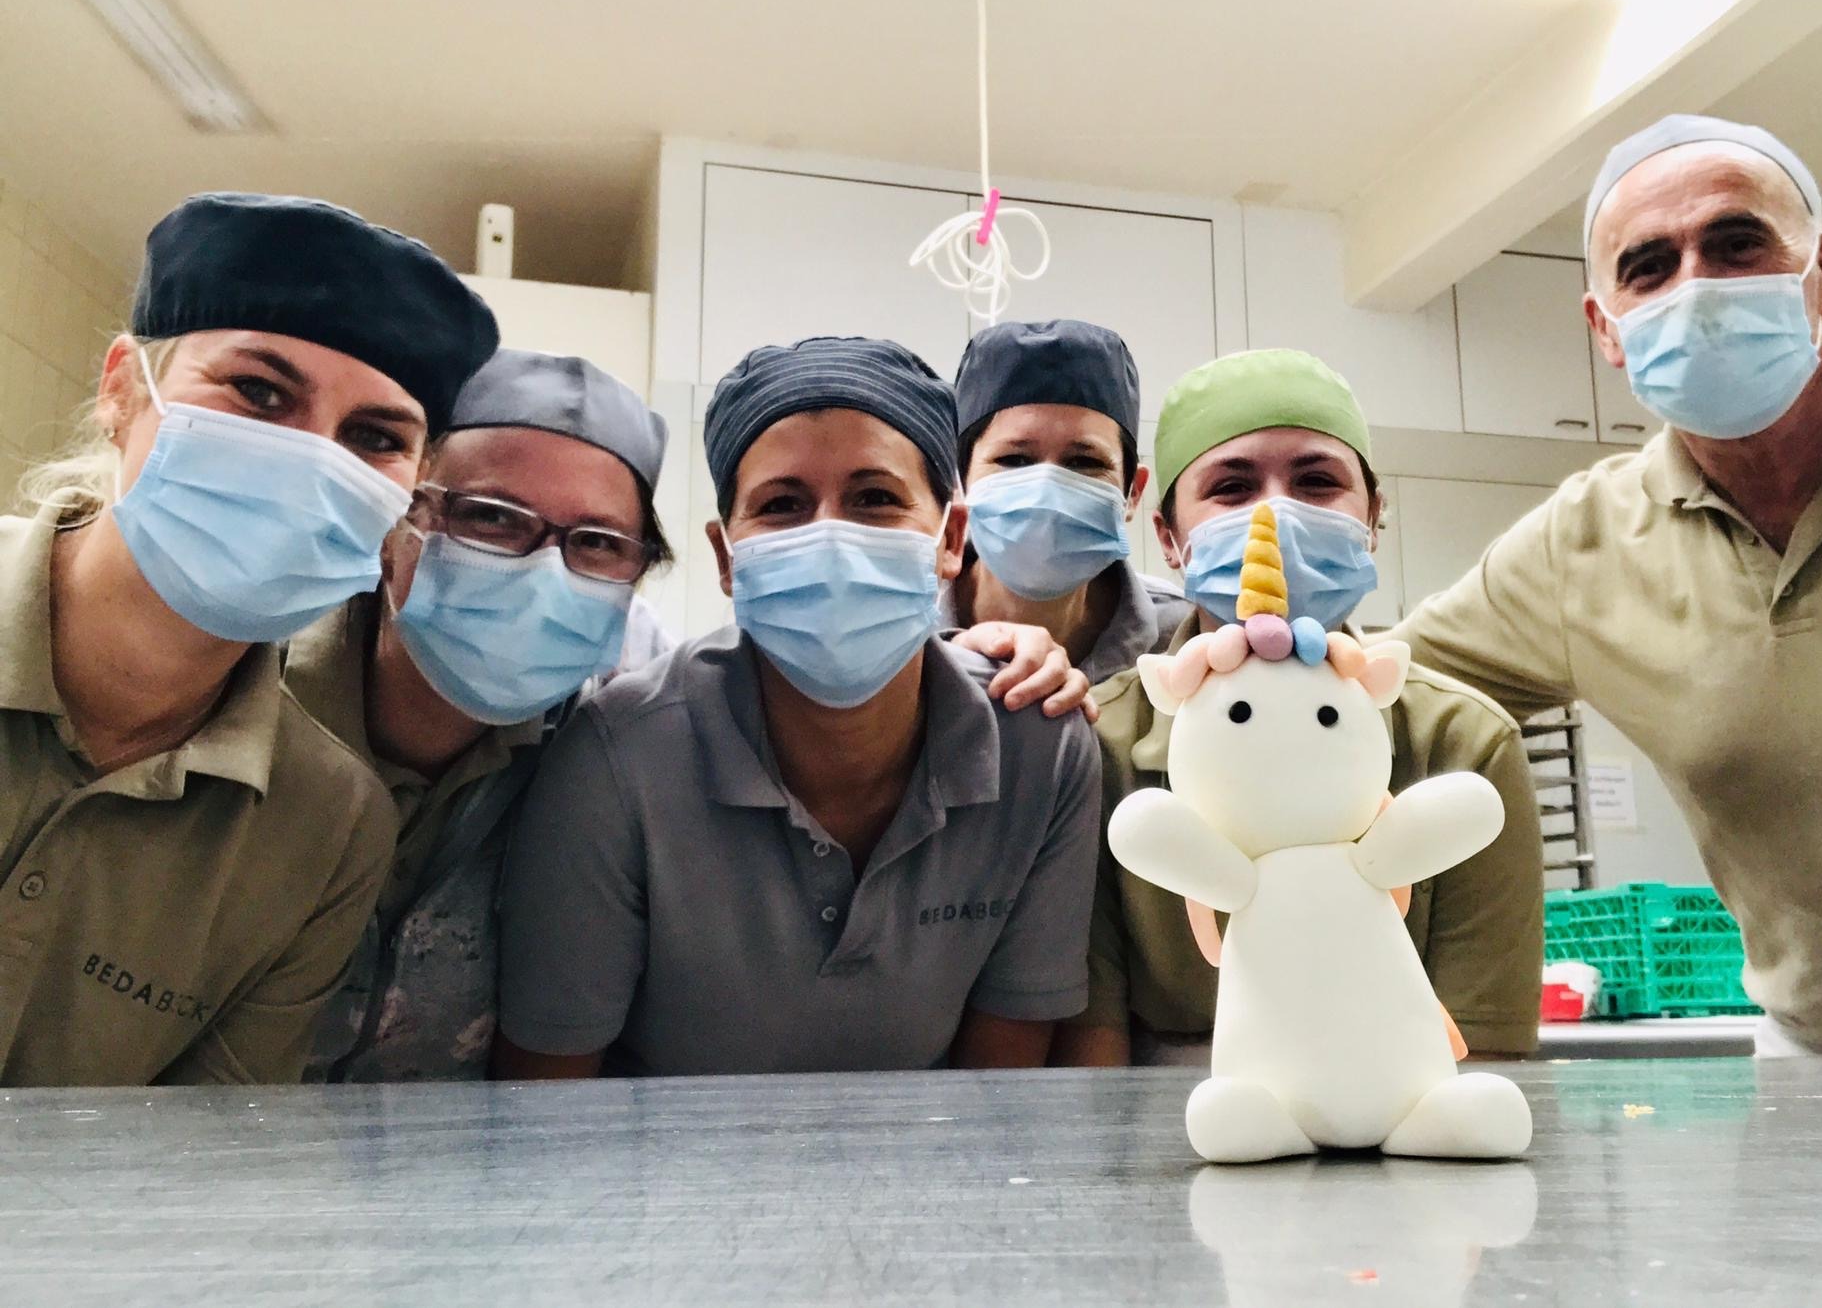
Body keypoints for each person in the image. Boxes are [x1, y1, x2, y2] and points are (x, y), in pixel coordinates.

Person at [1390, 113, 1822, 1056]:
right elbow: (1371, 698)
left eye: (1737, 244)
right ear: (1606, 329)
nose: (1696, 288)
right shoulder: (1581, 547)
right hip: (1820, 1062)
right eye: (1649, 266)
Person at [492, 336, 1104, 1078]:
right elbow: (549, 1099)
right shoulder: (620, 762)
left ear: (951, 538)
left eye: (875, 499)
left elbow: (999, 1089)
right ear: (726, 559)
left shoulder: (1040, 745)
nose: (831, 537)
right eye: (782, 505)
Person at [0, 192, 497, 1085]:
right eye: (258, 392)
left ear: (411, 489)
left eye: (374, 436)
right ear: (122, 388)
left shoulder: (328, 829)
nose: (309, 459)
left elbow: (206, 1143)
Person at [1065, 349, 1545, 1067]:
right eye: (1231, 488)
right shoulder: (1100, 744)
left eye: (1317, 482)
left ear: (1373, 518)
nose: (1275, 514)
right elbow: (1092, 1053)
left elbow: (1485, 1051)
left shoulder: (1464, 743)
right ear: (1169, 539)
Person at [286, 349, 674, 1081]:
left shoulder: (609, 764)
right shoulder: (249, 703)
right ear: (396, 523)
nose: (543, 572)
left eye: (596, 543)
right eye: (491, 518)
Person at [947, 320, 1190, 682]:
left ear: (1132, 493)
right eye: (1014, 459)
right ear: (959, 481)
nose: (1046, 489)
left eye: (1084, 462)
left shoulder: (1183, 639)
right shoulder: (903, 633)